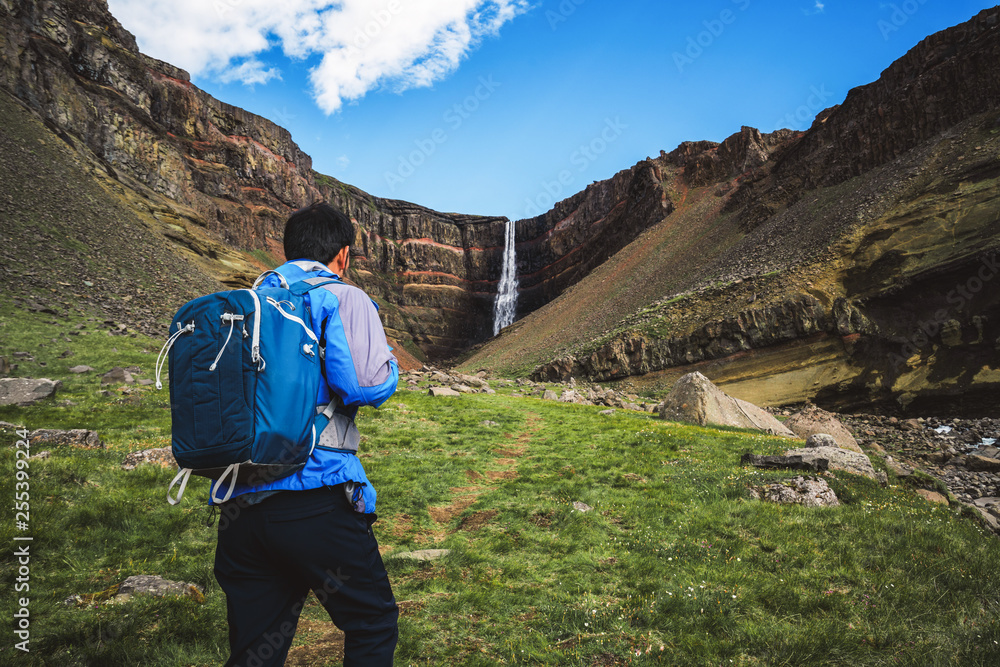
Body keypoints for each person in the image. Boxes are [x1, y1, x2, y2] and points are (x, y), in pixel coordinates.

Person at [212, 202, 400, 667]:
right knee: (372, 621)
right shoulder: (341, 296)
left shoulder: (249, 301)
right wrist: (391, 363)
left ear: (288, 249)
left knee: (255, 651)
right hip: (315, 499)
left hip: (242, 508)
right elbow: (363, 385)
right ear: (344, 254)